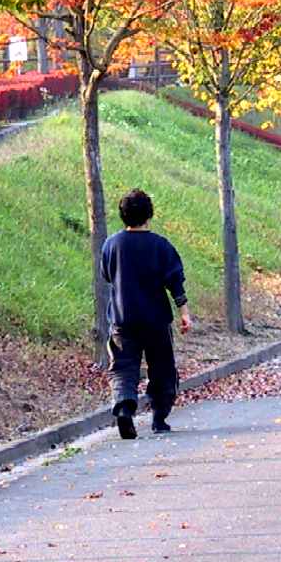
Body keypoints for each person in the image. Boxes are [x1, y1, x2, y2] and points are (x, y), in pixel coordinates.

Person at [103, 188, 192, 439]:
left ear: (123, 215)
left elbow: (107, 275)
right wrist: (184, 312)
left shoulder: (112, 244)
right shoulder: (161, 246)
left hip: (122, 318)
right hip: (156, 320)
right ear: (149, 214)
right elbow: (175, 282)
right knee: (162, 368)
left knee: (123, 367)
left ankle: (124, 407)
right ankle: (159, 418)